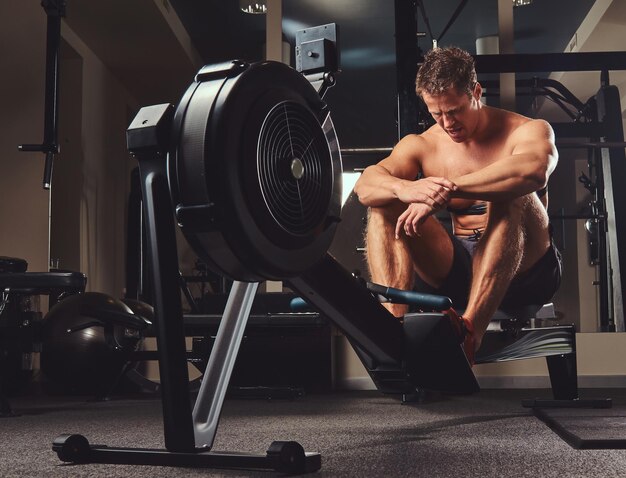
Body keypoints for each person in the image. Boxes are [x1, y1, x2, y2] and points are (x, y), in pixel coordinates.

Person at [353, 46, 562, 364]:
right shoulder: (423, 144)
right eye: (436, 113)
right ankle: (391, 332)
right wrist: (405, 188)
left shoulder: (528, 130)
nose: (447, 122)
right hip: (460, 269)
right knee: (384, 204)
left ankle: (468, 337)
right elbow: (365, 186)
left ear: (476, 92)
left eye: (454, 110)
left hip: (528, 271)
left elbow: (532, 172)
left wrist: (446, 191)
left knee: (510, 193)